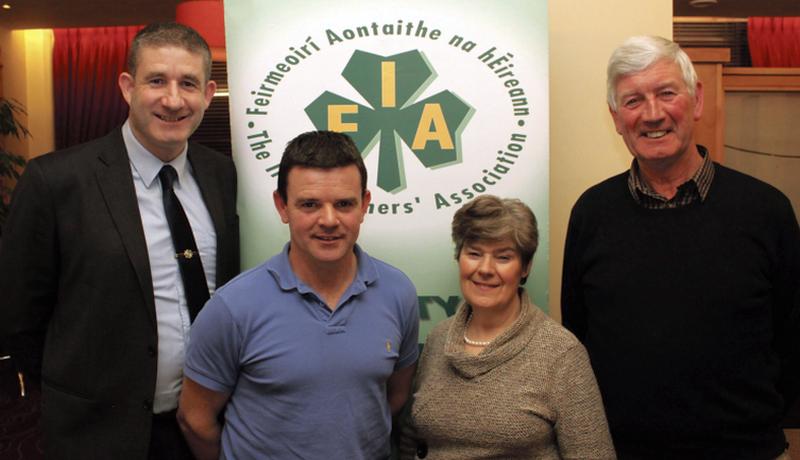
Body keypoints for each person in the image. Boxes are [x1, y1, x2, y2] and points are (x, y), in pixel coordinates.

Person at [0, 23, 239, 460]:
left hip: (205, 424)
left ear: (207, 94)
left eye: (187, 83)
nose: (172, 99)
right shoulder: (56, 182)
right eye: (156, 81)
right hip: (98, 432)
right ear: (127, 87)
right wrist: (76, 392)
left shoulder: (221, 174)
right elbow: (20, 317)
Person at [562, 35, 800, 460]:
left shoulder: (766, 210)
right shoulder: (591, 214)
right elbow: (579, 334)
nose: (653, 114)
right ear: (616, 118)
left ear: (696, 99)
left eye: (666, 93)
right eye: (633, 101)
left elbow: (792, 336)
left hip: (745, 451)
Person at [176, 130, 420, 459]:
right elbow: (195, 419)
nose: (329, 220)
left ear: (364, 205)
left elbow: (394, 398)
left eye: (344, 204)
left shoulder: (398, 292)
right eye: (310, 204)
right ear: (282, 206)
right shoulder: (232, 307)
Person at [401, 195, 615, 459]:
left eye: (503, 257)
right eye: (474, 253)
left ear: (525, 267)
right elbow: (411, 440)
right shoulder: (438, 339)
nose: (485, 269)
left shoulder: (561, 354)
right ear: (459, 258)